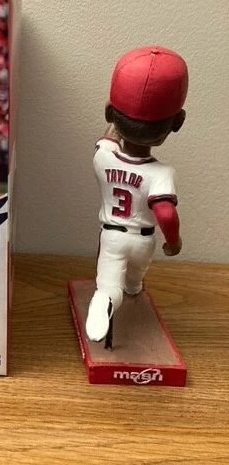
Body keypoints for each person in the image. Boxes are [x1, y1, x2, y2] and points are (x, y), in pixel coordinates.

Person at [85, 46, 189, 348]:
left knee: (108, 284)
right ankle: (132, 287)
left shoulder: (103, 158)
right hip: (143, 240)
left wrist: (117, 119)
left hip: (112, 235)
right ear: (178, 122)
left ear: (109, 112)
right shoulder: (162, 172)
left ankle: (105, 299)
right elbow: (165, 213)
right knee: (135, 280)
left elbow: (106, 139)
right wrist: (174, 242)